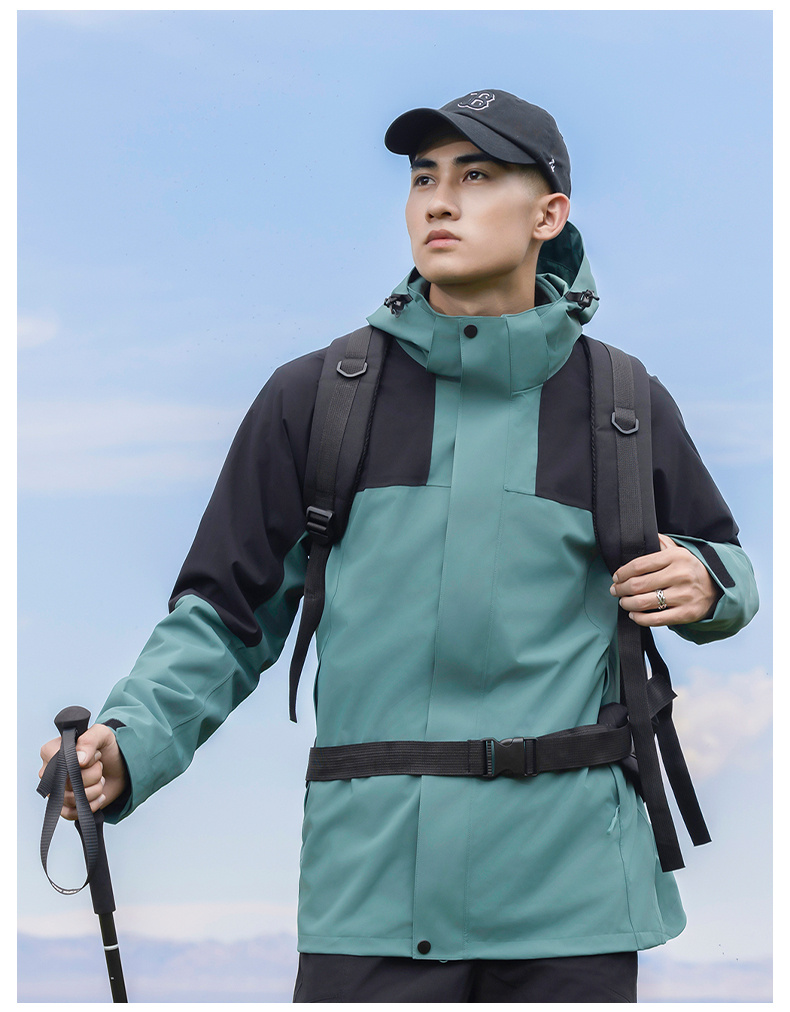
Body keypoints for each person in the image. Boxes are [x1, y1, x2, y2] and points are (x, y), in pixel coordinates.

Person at [39, 89, 759, 1002]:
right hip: (368, 902)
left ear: (549, 215)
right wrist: (129, 741)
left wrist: (708, 582)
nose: (439, 202)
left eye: (477, 177)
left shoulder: (624, 402)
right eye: (424, 178)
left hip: (577, 903)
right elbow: (223, 615)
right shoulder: (317, 398)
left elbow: (724, 560)